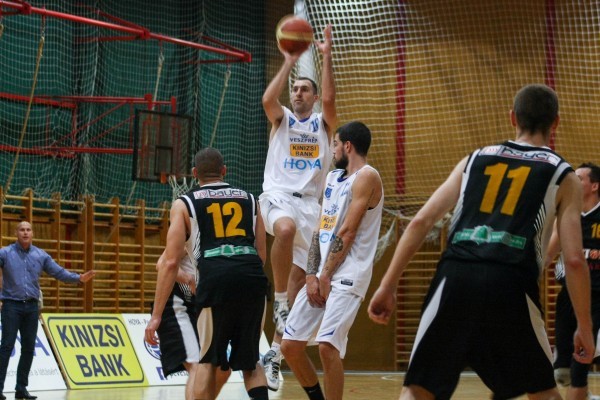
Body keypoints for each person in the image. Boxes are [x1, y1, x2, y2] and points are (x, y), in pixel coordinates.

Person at [368, 84, 595, 400]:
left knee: (417, 390)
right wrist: (584, 326)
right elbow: (573, 260)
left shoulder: (474, 159)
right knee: (543, 392)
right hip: (511, 282)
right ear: (555, 123)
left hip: (456, 274)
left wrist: (388, 284)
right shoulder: (563, 174)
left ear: (512, 117)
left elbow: (420, 222)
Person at [145, 147, 269, 400]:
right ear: (224, 171)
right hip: (253, 278)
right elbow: (261, 254)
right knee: (251, 362)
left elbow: (169, 262)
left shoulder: (184, 203)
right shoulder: (250, 199)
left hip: (215, 279)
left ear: (194, 173)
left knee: (207, 361)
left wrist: (155, 316)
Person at [259, 23, 337, 391]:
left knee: (300, 281)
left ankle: (274, 354)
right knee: (285, 229)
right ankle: (277, 301)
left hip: (311, 209)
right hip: (278, 196)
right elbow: (267, 100)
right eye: (295, 89)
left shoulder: (323, 125)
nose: (297, 93)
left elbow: (332, 101)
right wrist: (289, 61)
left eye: (305, 89)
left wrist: (327, 56)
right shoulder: (283, 119)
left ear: (315, 96)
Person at [281, 121, 383, 400]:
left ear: (348, 146)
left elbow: (348, 231)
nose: (333, 149)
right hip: (322, 272)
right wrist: (311, 274)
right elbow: (319, 229)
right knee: (290, 346)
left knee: (327, 347)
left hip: (349, 273)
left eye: (335, 144)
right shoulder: (331, 179)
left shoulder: (367, 177)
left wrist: (325, 275)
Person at [0, 221, 96, 400]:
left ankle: (21, 389)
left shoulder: (40, 255)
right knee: (6, 347)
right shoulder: (5, 253)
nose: (25, 233)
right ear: (16, 233)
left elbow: (58, 272)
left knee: (28, 348)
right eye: (22, 230)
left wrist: (79, 278)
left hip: (31, 307)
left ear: (32, 233)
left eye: (28, 230)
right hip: (11, 306)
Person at [548, 162, 600, 400]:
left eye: (579, 178)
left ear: (594, 186)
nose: (573, 181)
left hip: (596, 297)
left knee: (579, 367)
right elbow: (549, 252)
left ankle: (581, 387)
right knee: (562, 371)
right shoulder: (568, 214)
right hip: (569, 294)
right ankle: (581, 390)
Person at [150, 251, 231, 400]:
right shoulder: (189, 237)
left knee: (222, 370)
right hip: (177, 304)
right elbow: (162, 263)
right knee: (197, 366)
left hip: (202, 306)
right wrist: (188, 279)